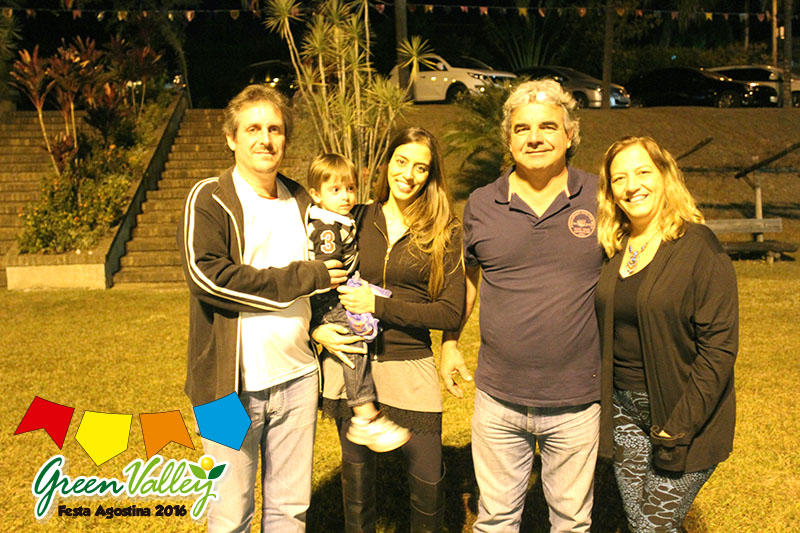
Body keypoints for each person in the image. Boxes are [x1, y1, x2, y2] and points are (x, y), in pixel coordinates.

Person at [177, 84, 348, 532]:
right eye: (252, 129)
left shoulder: (303, 200)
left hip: (298, 380)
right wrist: (304, 277)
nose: (265, 139)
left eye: (275, 129)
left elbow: (332, 273)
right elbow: (209, 278)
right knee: (229, 514)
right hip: (222, 390)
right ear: (231, 138)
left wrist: (320, 324)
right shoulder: (209, 197)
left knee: (289, 511)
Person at [440, 79, 604, 532]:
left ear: (570, 135)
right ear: (508, 140)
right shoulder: (481, 204)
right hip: (498, 399)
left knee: (572, 522)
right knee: (495, 520)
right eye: (522, 128)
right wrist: (450, 342)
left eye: (548, 126)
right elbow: (468, 280)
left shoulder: (602, 197)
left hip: (576, 399)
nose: (534, 138)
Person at [314, 127, 466, 532]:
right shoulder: (356, 217)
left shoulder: (444, 229)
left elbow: (450, 311)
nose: (408, 174)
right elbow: (317, 277)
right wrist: (316, 329)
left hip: (409, 362)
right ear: (387, 164)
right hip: (350, 362)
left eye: (421, 167)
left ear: (431, 175)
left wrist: (379, 306)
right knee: (357, 484)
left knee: (428, 479)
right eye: (401, 162)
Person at [594, 136, 737, 532]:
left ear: (665, 176)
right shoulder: (614, 249)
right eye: (619, 178)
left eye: (643, 172)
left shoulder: (699, 248)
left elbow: (719, 350)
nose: (632, 185)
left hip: (683, 412)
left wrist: (678, 426)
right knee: (640, 521)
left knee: (651, 526)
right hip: (624, 411)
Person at [306, 153, 411, 452]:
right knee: (353, 340)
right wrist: (350, 292)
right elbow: (329, 271)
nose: (345, 196)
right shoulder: (327, 227)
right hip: (329, 300)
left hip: (339, 293)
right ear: (316, 194)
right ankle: (364, 413)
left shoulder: (342, 218)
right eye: (335, 190)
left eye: (350, 188)